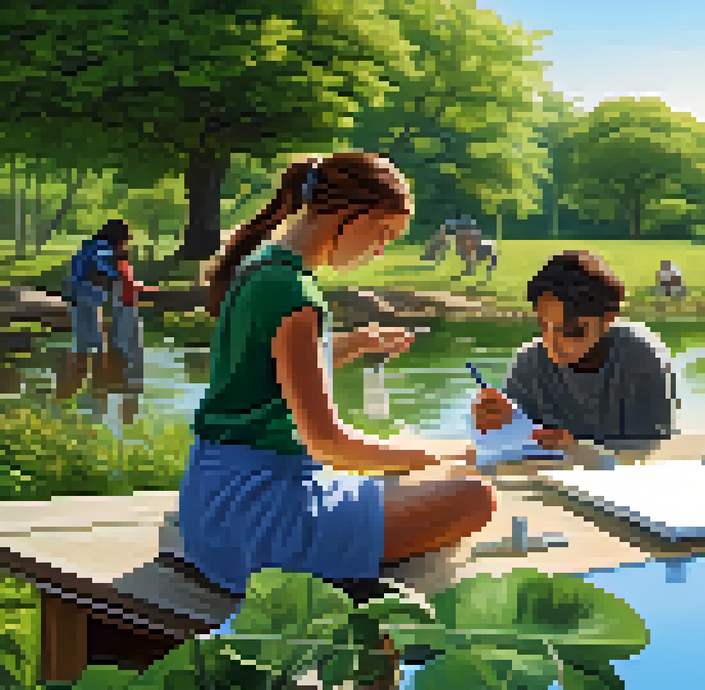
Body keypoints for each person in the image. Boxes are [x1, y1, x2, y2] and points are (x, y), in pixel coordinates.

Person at [179, 152, 495, 595]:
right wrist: (433, 458)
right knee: (473, 497)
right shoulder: (292, 293)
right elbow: (326, 442)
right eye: (383, 233)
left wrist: (355, 343)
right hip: (258, 514)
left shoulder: (263, 270)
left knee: (425, 461)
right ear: (351, 215)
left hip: (215, 498)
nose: (381, 249)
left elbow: (264, 374)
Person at [471, 250, 678, 455]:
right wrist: (494, 427)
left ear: (608, 319)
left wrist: (577, 449)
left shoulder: (642, 357)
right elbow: (514, 444)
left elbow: (651, 449)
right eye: (544, 327)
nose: (554, 344)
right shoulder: (529, 364)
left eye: (570, 332)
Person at [57, 220, 128, 402]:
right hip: (87, 292)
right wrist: (117, 270)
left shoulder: (89, 245)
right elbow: (98, 270)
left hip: (76, 293)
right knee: (96, 344)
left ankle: (70, 388)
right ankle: (96, 388)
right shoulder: (104, 248)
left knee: (83, 341)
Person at [105, 225, 160, 424]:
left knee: (131, 351)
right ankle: (128, 391)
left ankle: (129, 393)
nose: (128, 244)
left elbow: (128, 284)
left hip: (127, 308)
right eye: (126, 240)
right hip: (123, 309)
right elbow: (122, 285)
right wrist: (145, 289)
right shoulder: (113, 261)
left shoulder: (120, 261)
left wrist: (143, 288)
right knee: (128, 351)